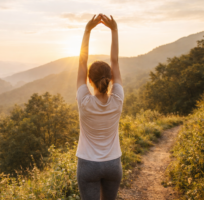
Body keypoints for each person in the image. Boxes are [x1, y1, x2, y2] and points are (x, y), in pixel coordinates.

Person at [76, 13, 123, 200]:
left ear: (89, 80)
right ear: (111, 78)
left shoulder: (84, 101)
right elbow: (115, 61)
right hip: (113, 164)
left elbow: (81, 62)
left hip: (88, 165)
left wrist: (87, 30)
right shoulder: (117, 99)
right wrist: (114, 30)